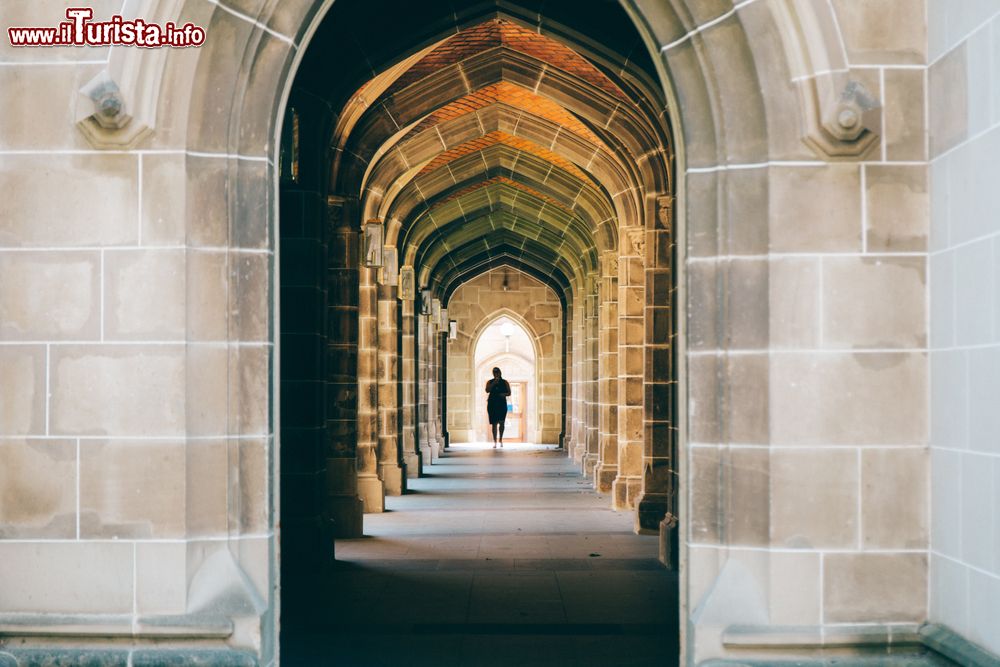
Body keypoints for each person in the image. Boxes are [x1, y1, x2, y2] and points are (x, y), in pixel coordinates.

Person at [485, 367, 511, 448]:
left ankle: (501, 439)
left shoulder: (505, 382)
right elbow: (487, 390)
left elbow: (509, 393)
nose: (496, 374)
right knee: (494, 423)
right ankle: (495, 441)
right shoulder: (490, 382)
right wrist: (494, 383)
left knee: (502, 422)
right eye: (494, 372)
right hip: (492, 404)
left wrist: (503, 394)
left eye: (497, 372)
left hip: (501, 404)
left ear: (500, 373)